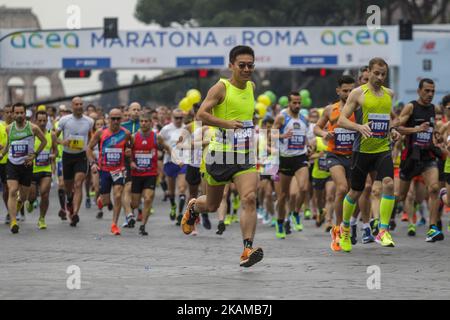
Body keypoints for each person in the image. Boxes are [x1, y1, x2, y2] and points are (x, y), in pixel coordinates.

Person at [181, 45, 264, 268]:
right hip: (220, 155)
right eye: (242, 65)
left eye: (250, 65)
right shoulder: (220, 88)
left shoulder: (251, 86)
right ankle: (193, 207)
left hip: (245, 154)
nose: (247, 69)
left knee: (249, 198)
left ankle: (247, 248)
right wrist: (226, 124)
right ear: (231, 66)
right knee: (211, 204)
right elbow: (201, 114)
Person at [337, 57, 401, 251]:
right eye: (377, 73)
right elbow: (341, 120)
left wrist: (392, 130)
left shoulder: (389, 94)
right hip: (362, 150)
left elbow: (388, 120)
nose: (380, 77)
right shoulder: (358, 93)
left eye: (383, 74)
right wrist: (359, 126)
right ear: (369, 73)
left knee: (389, 184)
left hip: (382, 149)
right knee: (355, 192)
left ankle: (383, 230)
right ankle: (345, 228)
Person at [395, 79, 443, 242]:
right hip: (410, 158)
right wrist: (416, 129)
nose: (430, 94)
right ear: (419, 91)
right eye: (427, 91)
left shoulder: (432, 108)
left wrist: (436, 134)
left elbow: (431, 127)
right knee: (401, 196)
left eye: (432, 91)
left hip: (427, 156)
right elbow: (398, 128)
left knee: (434, 188)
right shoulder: (411, 107)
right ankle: (387, 215)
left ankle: (433, 228)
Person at [0, 102, 47, 233]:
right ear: (13, 114)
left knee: (24, 196)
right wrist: (2, 154)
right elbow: (8, 145)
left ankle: (19, 205)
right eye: (17, 113)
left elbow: (44, 141)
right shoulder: (9, 128)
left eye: (22, 113)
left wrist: (34, 155)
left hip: (26, 165)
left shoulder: (33, 128)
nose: (19, 115)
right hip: (12, 164)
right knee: (13, 190)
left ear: (25, 114)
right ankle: (14, 221)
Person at [88, 108, 131, 235]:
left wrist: (129, 152)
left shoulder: (126, 133)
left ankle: (114, 224)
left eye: (118, 118)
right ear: (108, 119)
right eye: (113, 118)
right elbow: (89, 148)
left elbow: (131, 146)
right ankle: (103, 200)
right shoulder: (101, 133)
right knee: (106, 201)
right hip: (104, 170)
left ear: (122, 119)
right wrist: (93, 163)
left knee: (118, 195)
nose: (116, 121)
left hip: (119, 169)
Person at [272, 92, 309, 238]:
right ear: (289, 103)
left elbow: (304, 136)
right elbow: (270, 134)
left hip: (300, 158)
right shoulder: (282, 117)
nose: (297, 105)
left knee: (304, 188)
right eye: (294, 102)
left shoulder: (304, 119)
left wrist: (308, 144)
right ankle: (280, 222)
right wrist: (282, 136)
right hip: (285, 159)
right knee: (282, 196)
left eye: (299, 102)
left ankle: (295, 213)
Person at [56, 97, 94, 227]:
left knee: (78, 184)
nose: (79, 106)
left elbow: (91, 138)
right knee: (68, 188)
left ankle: (75, 213)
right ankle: (69, 200)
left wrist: (90, 150)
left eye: (81, 104)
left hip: (81, 156)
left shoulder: (89, 121)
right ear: (72, 106)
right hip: (67, 156)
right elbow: (54, 136)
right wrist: (62, 142)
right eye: (76, 104)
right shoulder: (64, 120)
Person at [130, 111, 169, 235]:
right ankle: (138, 210)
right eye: (141, 121)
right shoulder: (133, 136)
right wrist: (131, 162)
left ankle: (143, 226)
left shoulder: (156, 136)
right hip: (136, 174)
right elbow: (127, 151)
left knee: (147, 199)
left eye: (146, 121)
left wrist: (175, 157)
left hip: (150, 174)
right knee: (135, 203)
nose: (143, 123)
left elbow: (166, 147)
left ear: (151, 123)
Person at [27, 111, 58, 229]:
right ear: (35, 121)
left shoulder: (52, 135)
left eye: (44, 120)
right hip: (32, 169)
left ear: (47, 121)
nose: (42, 123)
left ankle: (42, 218)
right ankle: (30, 202)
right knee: (32, 196)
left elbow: (56, 151)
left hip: (46, 168)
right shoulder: (30, 134)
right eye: (39, 120)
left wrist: (53, 155)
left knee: (45, 193)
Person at [159, 109, 189, 225]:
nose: (178, 120)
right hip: (170, 161)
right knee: (171, 192)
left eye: (180, 118)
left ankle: (180, 214)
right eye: (176, 118)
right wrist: (164, 149)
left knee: (182, 189)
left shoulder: (187, 128)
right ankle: (173, 206)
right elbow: (159, 141)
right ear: (172, 118)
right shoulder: (166, 129)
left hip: (183, 161)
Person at [1, 104, 13, 224]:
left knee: (15, 188)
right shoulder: (0, 126)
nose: (9, 114)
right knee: (6, 189)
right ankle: (10, 211)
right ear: (3, 113)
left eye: (11, 112)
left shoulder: (18, 126)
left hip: (17, 161)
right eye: (7, 112)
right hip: (3, 161)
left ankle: (16, 207)